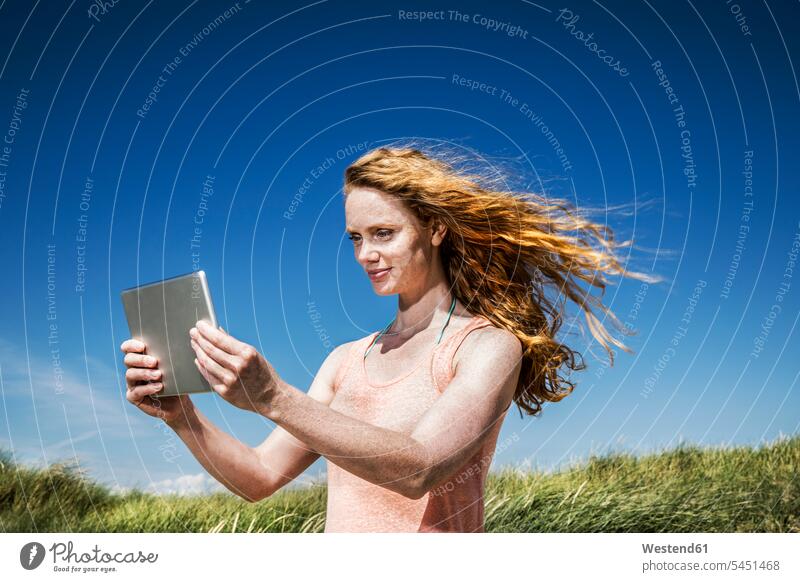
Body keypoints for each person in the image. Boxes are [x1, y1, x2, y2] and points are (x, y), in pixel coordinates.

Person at [120, 145, 657, 532]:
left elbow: (420, 468)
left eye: (384, 233)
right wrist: (182, 416)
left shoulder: (486, 346)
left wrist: (273, 397)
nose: (364, 255)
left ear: (435, 228)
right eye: (355, 237)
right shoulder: (344, 361)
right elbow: (260, 477)